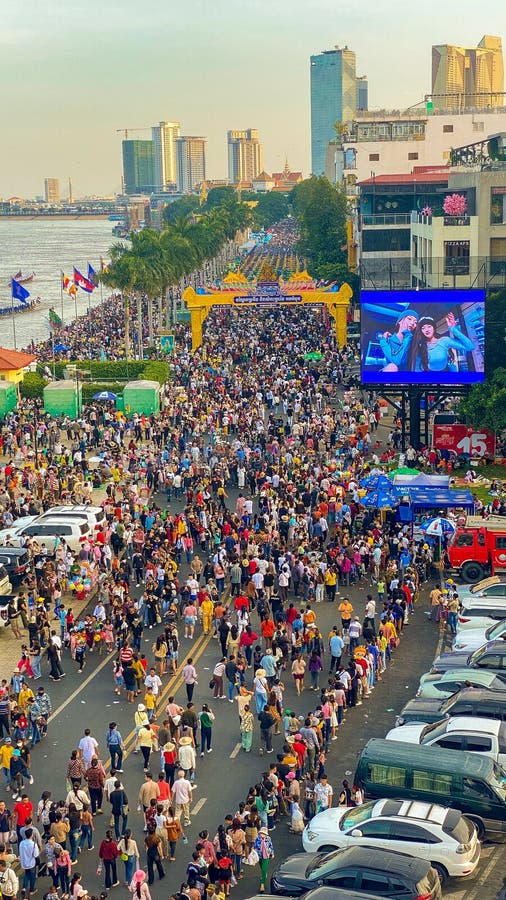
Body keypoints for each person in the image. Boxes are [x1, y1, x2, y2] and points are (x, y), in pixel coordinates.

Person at [408, 312, 475, 372]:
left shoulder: (444, 341)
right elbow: (418, 366)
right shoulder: (421, 345)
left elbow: (470, 347)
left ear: (434, 328)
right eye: (423, 328)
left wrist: (453, 329)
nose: (426, 330)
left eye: (429, 326)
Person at [253, 826, 274, 894]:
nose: (262, 835)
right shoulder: (257, 838)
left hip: (266, 856)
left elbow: (271, 846)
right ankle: (264, 874)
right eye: (261, 833)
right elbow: (254, 846)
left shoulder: (268, 839)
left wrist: (272, 853)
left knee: (264, 869)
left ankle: (262, 885)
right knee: (262, 867)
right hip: (259, 856)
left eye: (264, 833)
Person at [19, 826, 40, 894]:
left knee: (26, 874)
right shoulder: (33, 844)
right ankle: (31, 890)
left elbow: (20, 852)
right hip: (31, 863)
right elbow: (36, 855)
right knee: (32, 876)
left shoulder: (22, 843)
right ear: (31, 835)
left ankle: (24, 888)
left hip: (24, 863)